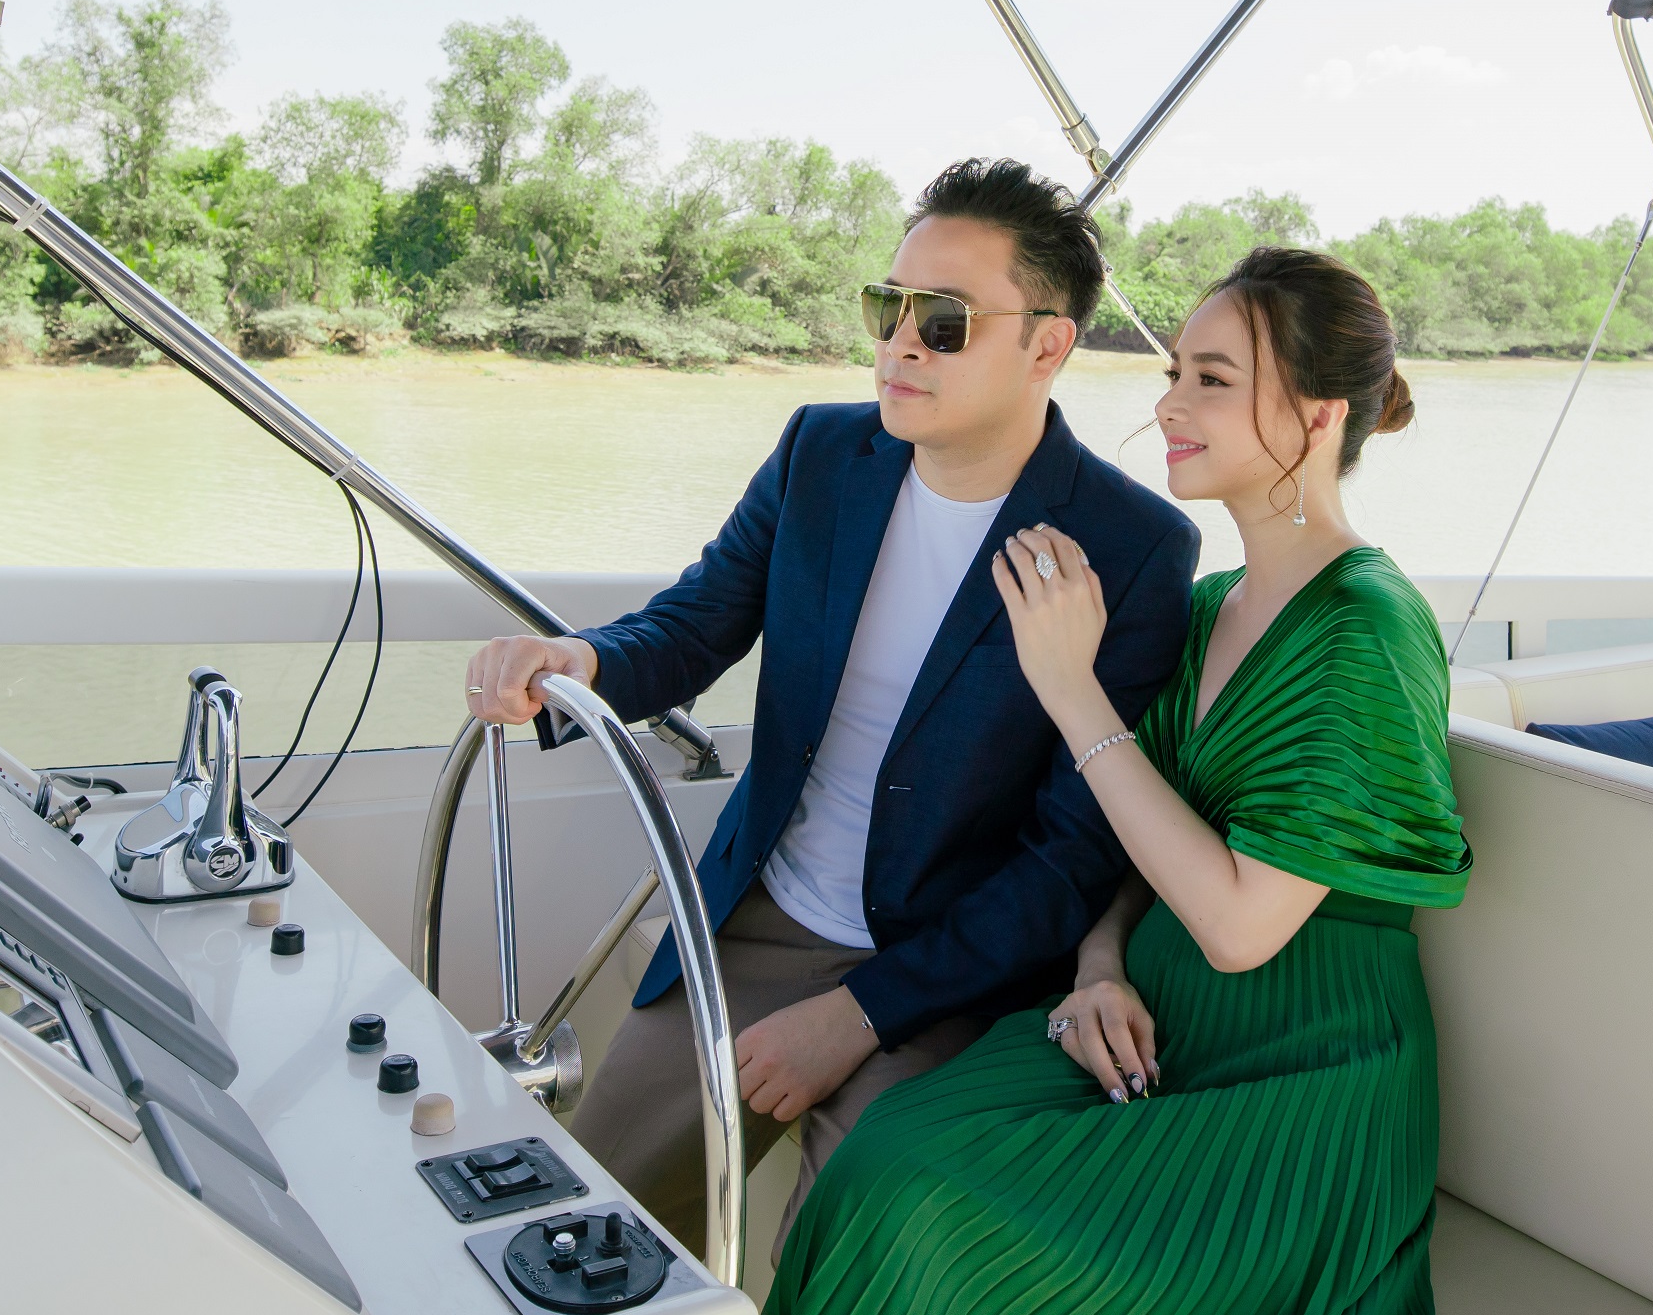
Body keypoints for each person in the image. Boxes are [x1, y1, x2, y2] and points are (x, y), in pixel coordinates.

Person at [756, 246, 1468, 1315]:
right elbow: (1142, 847)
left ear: (1317, 415)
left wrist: (1066, 685)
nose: (1169, 407)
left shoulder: (1368, 628)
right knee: (895, 1157)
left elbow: (1245, 922)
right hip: (1155, 1018)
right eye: (1173, 373)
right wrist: (1094, 965)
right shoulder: (1213, 607)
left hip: (1304, 1078)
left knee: (951, 1213)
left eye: (1212, 379)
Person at [464, 158, 1198, 1255]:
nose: (899, 344)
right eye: (885, 307)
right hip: (765, 914)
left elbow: (1068, 861)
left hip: (953, 962)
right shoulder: (819, 454)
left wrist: (861, 1014)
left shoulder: (1133, 546)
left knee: (844, 1262)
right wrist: (575, 661)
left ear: (1047, 346)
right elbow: (695, 623)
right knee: (585, 1226)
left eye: (943, 322)